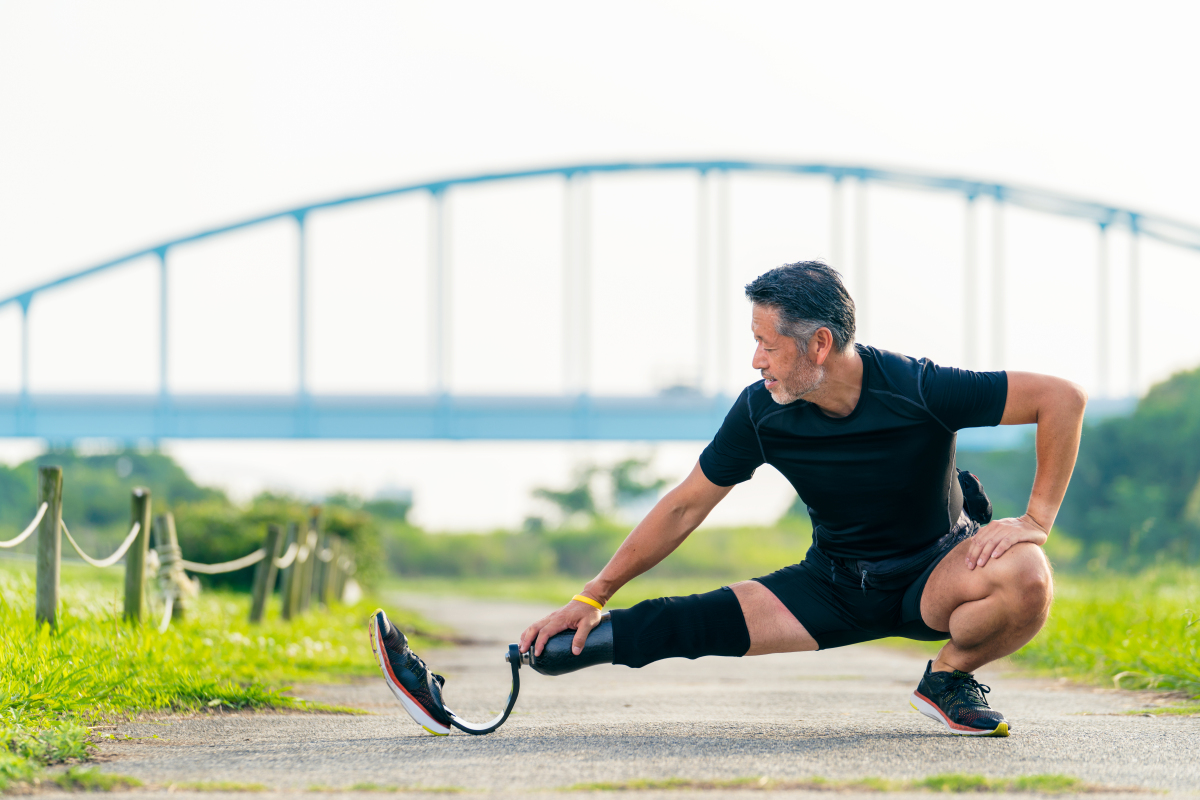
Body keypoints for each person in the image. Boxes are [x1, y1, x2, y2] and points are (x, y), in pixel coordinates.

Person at [371, 260, 1086, 738]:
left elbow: (1061, 399)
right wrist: (591, 596)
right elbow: (685, 505)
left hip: (936, 573)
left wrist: (1035, 520)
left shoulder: (920, 387)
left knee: (1026, 575)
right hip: (832, 585)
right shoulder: (762, 411)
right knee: (656, 629)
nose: (754, 360)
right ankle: (476, 689)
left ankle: (949, 682)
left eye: (766, 344)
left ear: (819, 345)